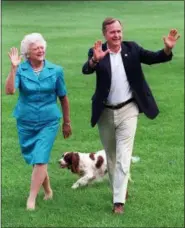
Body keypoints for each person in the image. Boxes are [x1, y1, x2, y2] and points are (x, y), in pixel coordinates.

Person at [82, 17, 180, 214]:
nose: (117, 35)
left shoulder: (132, 48)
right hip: (105, 112)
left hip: (129, 109)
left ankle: (118, 201)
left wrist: (167, 49)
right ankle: (119, 188)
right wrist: (95, 60)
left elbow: (154, 57)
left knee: (123, 155)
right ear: (105, 34)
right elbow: (86, 69)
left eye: (119, 31)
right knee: (111, 155)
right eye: (112, 32)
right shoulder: (98, 51)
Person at [5, 33, 72, 210]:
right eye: (36, 48)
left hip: (49, 121)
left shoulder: (56, 70)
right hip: (26, 121)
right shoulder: (21, 69)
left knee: (41, 158)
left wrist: (66, 122)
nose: (41, 50)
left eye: (42, 47)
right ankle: (48, 190)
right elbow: (10, 91)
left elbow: (63, 97)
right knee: (36, 159)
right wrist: (13, 69)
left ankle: (31, 199)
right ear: (28, 53)